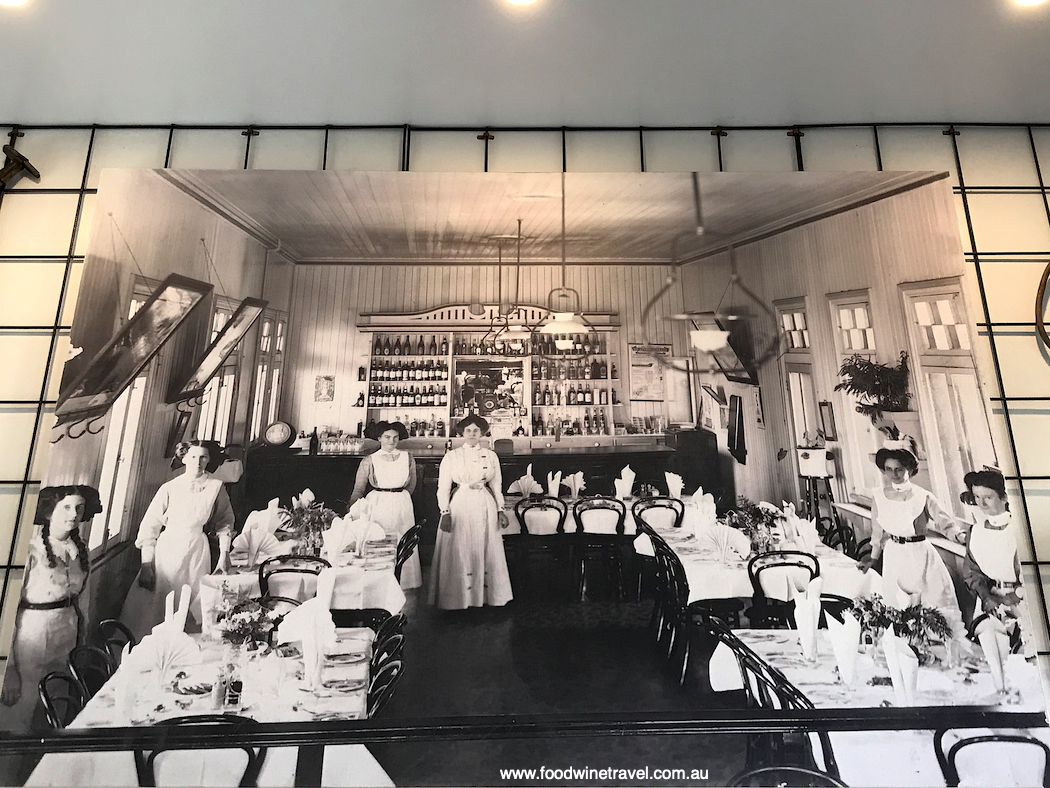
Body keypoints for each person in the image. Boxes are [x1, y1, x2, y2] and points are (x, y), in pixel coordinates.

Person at [0, 486, 101, 732]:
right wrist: (8, 669)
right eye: (66, 507)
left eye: (79, 508)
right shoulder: (29, 550)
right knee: (20, 711)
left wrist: (82, 640)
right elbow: (5, 611)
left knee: (56, 706)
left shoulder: (80, 549)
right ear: (48, 512)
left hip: (66, 632)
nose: (74, 514)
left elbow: (82, 600)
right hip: (31, 635)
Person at [119, 441, 234, 640]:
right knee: (158, 603)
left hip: (197, 552)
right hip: (168, 551)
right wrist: (147, 564)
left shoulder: (216, 487)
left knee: (193, 601)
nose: (198, 462)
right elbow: (150, 526)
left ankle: (187, 649)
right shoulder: (170, 487)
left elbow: (225, 523)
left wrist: (224, 554)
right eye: (193, 457)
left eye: (203, 457)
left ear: (209, 459)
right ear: (183, 458)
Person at [858, 447, 965, 635]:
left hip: (919, 555)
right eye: (889, 469)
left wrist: (960, 537)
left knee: (931, 605)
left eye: (899, 469)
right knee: (897, 605)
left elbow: (944, 522)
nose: (894, 474)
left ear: (909, 469)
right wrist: (873, 558)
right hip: (894, 555)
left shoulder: (923, 496)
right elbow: (878, 532)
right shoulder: (879, 496)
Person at [428, 414, 513, 610]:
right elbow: (442, 488)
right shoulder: (452, 456)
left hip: (485, 504)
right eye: (468, 430)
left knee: (485, 546)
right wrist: (445, 512)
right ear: (462, 433)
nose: (472, 434)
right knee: (461, 546)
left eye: (476, 431)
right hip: (461, 505)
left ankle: (486, 597)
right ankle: (458, 599)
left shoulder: (491, 456)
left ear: (482, 433)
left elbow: (497, 486)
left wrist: (501, 510)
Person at [961, 468, 1033, 660]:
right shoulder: (975, 532)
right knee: (991, 645)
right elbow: (972, 573)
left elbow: (1031, 575)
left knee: (1026, 654)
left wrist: (1010, 598)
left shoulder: (1021, 529)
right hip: (990, 601)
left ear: (1004, 497)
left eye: (988, 497)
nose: (981, 503)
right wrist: (986, 597)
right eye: (976, 496)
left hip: (1024, 601)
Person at [348, 421, 421, 589]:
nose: (391, 441)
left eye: (395, 437)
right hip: (378, 503)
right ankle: (379, 583)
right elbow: (359, 488)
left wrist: (400, 497)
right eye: (387, 437)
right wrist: (352, 509)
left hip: (402, 503)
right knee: (380, 538)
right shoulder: (370, 460)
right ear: (379, 438)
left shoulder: (407, 457)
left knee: (403, 539)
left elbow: (412, 484)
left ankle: (405, 581)